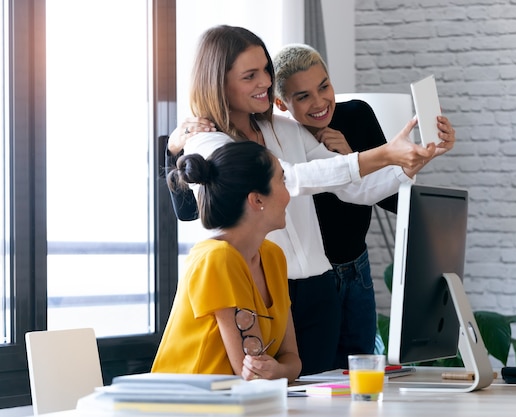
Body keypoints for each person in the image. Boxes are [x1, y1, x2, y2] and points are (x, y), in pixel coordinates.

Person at [164, 25, 441, 376]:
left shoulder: (285, 129)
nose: (265, 81)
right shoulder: (208, 145)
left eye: (265, 69)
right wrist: (384, 154)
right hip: (267, 293)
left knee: (329, 398)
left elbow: (352, 188)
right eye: (250, 75)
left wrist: (411, 161)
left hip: (320, 287)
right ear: (218, 83)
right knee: (281, 397)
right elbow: (290, 178)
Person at [271, 44, 456, 369]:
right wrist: (352, 163)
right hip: (311, 280)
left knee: (360, 373)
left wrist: (366, 157)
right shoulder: (284, 137)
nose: (319, 102)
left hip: (356, 270)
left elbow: (386, 196)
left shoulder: (356, 114)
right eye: (302, 96)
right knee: (318, 374)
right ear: (281, 103)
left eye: (324, 86)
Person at [152, 141, 301, 382]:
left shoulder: (273, 256)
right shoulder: (218, 258)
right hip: (185, 405)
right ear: (257, 200)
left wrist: (280, 371)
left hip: (236, 402)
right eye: (281, 181)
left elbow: (291, 359)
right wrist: (277, 372)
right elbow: (250, 372)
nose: (288, 193)